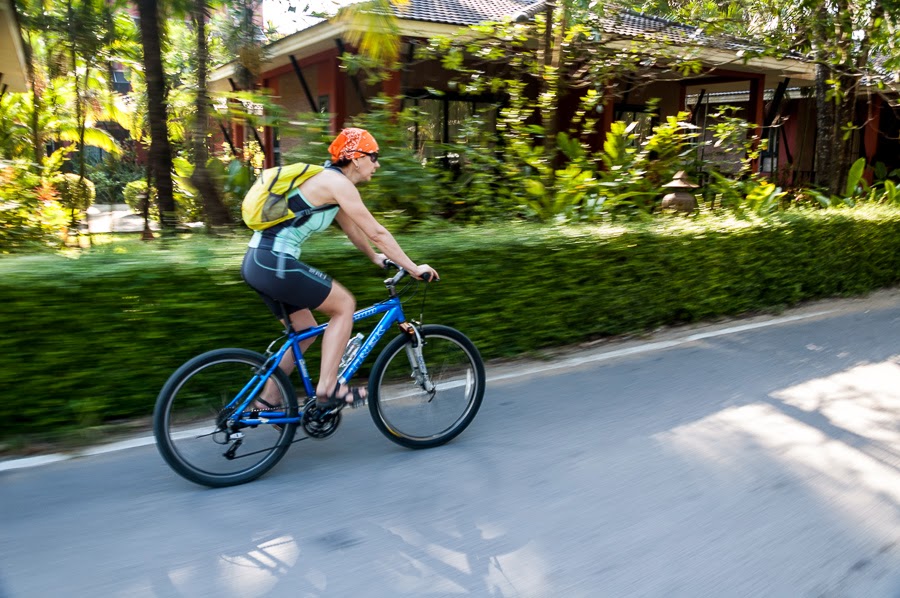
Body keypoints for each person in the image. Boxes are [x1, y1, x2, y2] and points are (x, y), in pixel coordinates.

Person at [241, 127, 438, 409]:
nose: (377, 164)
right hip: (273, 261)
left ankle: (267, 400)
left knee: (305, 329)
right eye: (374, 156)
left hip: (259, 262)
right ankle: (329, 387)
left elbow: (354, 230)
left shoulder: (332, 184)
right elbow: (377, 231)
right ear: (356, 158)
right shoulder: (338, 184)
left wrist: (375, 258)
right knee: (344, 305)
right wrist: (413, 267)